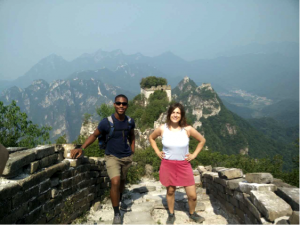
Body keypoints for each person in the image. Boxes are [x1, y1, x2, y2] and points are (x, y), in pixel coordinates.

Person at [71, 94, 135, 225]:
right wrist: (82, 148)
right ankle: (117, 213)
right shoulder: (106, 122)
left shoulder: (129, 121)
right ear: (114, 105)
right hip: (112, 156)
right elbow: (94, 135)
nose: (121, 106)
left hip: (126, 157)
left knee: (122, 183)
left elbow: (132, 136)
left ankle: (120, 199)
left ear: (127, 106)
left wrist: (132, 151)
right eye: (118, 103)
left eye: (124, 104)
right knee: (115, 182)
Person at [149, 103, 206, 225]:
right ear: (169, 114)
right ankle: (171, 214)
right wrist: (158, 152)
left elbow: (202, 140)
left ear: (182, 115)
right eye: (173, 112)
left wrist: (194, 155)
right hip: (168, 164)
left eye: (178, 113)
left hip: (184, 165)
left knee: (192, 195)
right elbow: (151, 138)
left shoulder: (188, 129)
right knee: (170, 191)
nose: (175, 115)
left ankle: (192, 213)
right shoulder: (162, 128)